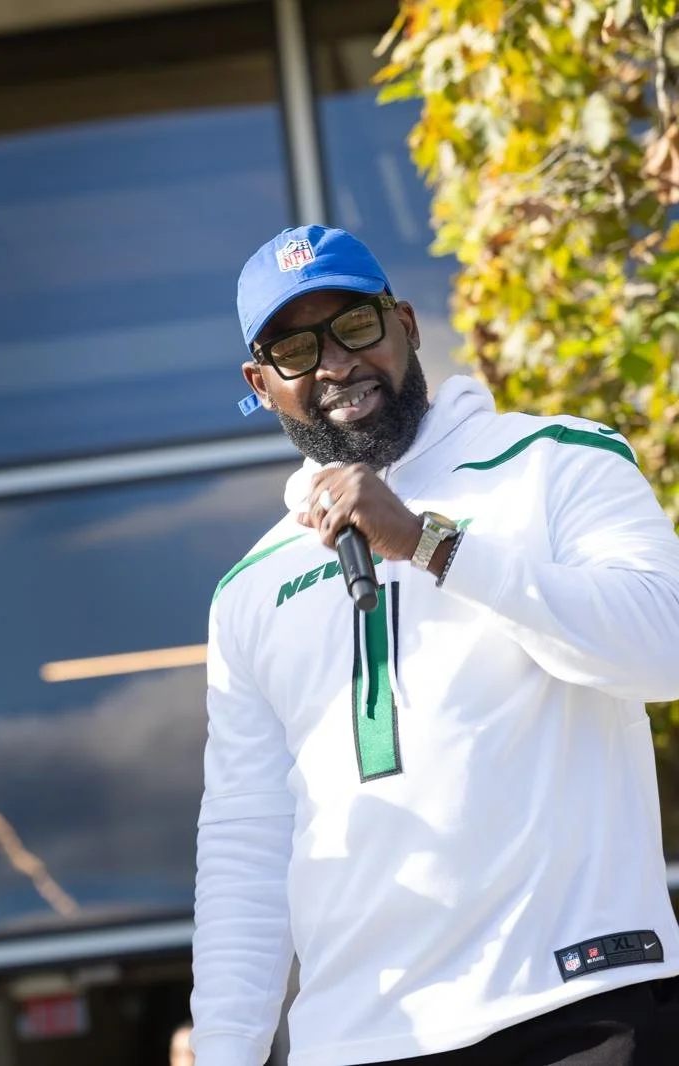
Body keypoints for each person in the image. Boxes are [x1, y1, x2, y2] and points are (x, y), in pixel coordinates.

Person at [190, 225, 679, 1066]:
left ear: (406, 326)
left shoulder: (556, 459)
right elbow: (247, 839)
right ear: (261, 384)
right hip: (357, 1040)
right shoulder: (249, 588)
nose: (335, 364)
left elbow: (662, 650)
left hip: (577, 1000)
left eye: (355, 327)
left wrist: (433, 545)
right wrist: (229, 1052)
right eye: (296, 349)